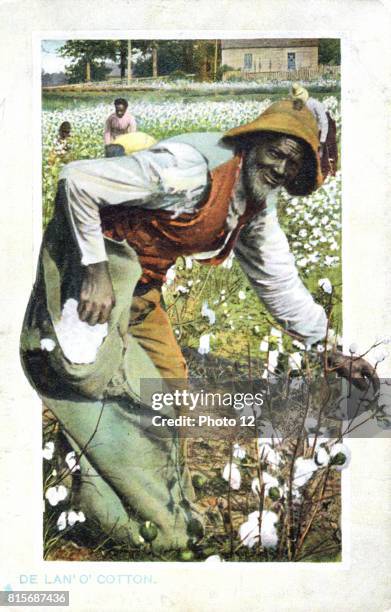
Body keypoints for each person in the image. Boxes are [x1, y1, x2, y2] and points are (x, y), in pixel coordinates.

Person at [21, 100, 376, 550]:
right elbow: (77, 180)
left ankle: (129, 506)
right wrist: (93, 270)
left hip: (138, 292)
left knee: (168, 389)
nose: (283, 168)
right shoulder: (191, 170)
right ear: (255, 140)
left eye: (295, 162)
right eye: (278, 152)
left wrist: (326, 346)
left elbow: (277, 279)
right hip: (86, 278)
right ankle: (96, 506)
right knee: (98, 388)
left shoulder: (253, 204)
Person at [290, 83, 338, 178]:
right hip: (314, 127)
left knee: (329, 148)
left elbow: (324, 123)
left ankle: (331, 173)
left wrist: (322, 141)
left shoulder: (315, 104)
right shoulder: (300, 107)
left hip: (326, 125)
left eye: (296, 101)